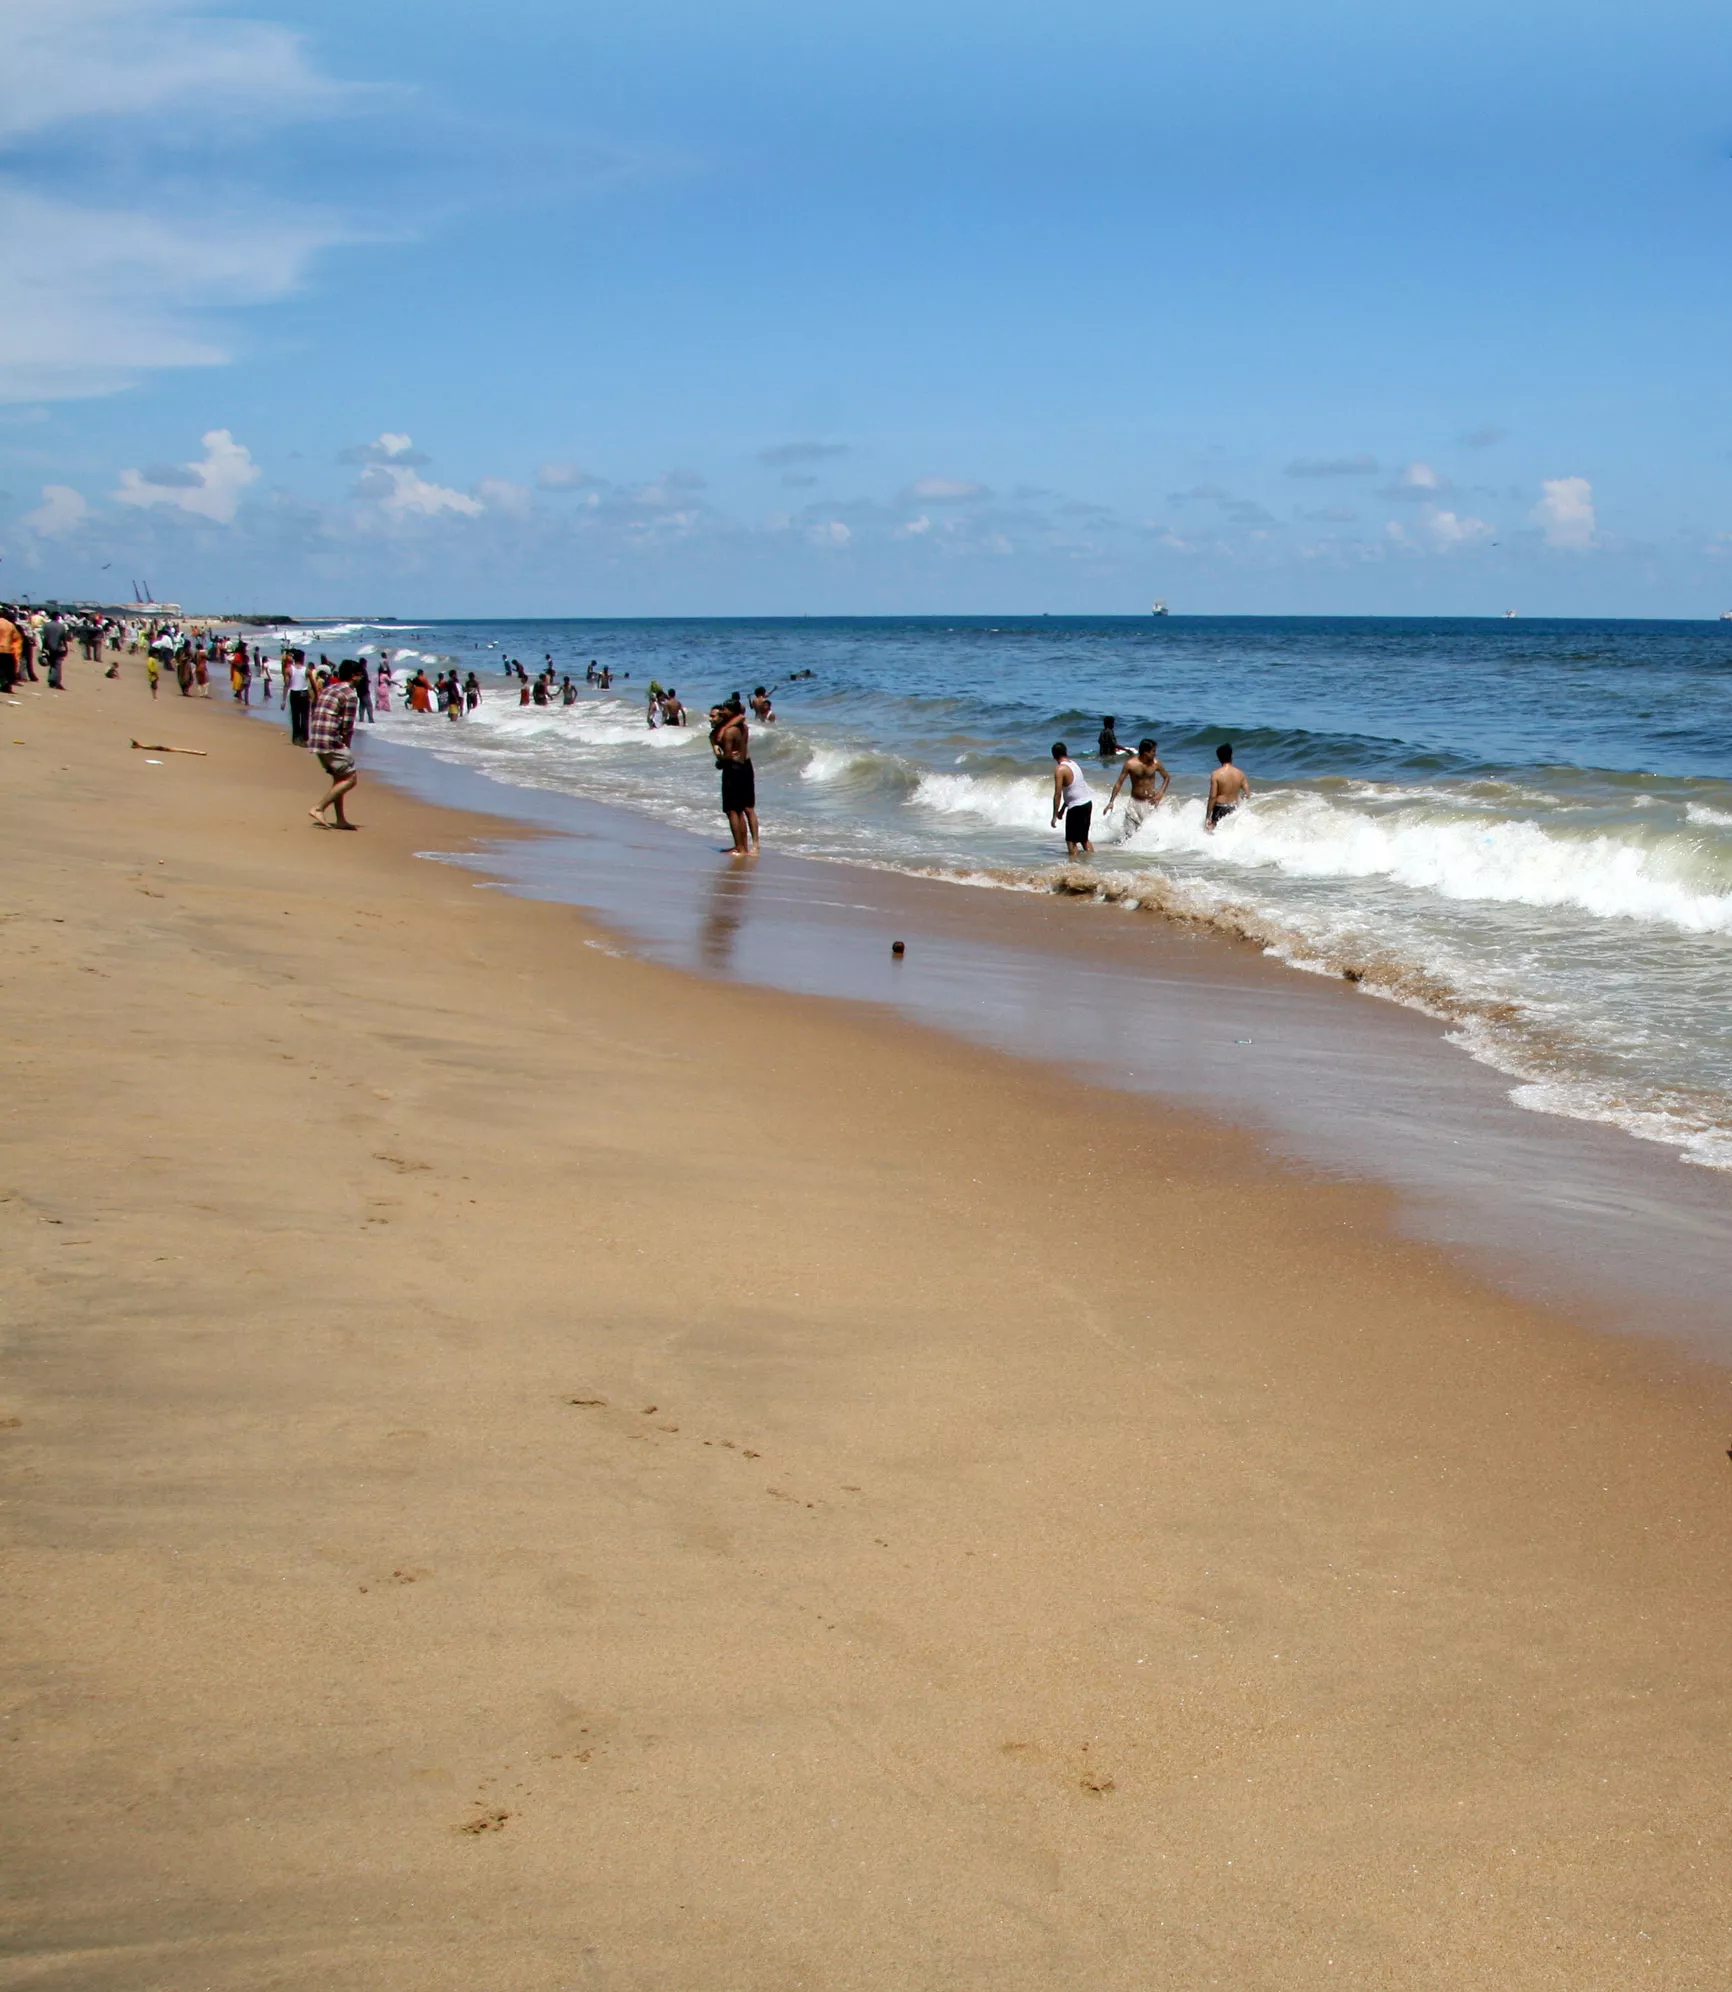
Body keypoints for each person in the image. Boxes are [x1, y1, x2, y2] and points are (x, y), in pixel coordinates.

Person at [308, 661, 362, 828]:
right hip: (330, 739)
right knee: (351, 779)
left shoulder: (329, 688)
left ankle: (340, 819)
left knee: (339, 779)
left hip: (316, 737)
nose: (361, 678)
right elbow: (347, 727)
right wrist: (346, 747)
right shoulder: (350, 695)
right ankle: (319, 808)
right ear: (353, 676)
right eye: (360, 675)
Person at [712, 696, 758, 854]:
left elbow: (728, 755)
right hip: (745, 767)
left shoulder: (728, 732)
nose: (722, 712)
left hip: (733, 769)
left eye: (725, 710)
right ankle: (744, 846)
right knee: (741, 810)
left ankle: (739, 847)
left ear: (732, 711)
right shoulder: (743, 727)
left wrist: (719, 760)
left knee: (732, 810)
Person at [1106, 737, 1170, 836]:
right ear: (1146, 752)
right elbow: (1119, 783)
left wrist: (1161, 793)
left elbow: (1166, 777)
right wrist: (1111, 802)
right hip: (1134, 803)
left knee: (1150, 834)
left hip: (1150, 803)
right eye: (1153, 751)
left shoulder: (1156, 764)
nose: (1155, 754)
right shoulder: (1130, 764)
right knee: (1129, 834)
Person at [1050, 741, 1094, 856]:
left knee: (1071, 842)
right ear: (1066, 752)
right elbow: (1073, 790)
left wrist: (1054, 816)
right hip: (1087, 803)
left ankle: (1074, 865)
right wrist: (1063, 809)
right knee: (1084, 839)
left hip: (1077, 807)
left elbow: (1057, 794)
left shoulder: (1060, 769)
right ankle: (1092, 862)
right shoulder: (1074, 764)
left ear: (1054, 755)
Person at [1205, 742, 1250, 831]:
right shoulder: (1241, 774)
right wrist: (1240, 805)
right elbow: (1247, 794)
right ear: (1231, 756)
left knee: (1214, 833)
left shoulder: (1216, 774)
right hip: (1233, 808)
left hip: (1219, 808)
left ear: (1219, 758)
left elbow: (1213, 797)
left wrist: (1208, 816)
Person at [283, 649, 313, 744]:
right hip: (304, 694)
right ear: (303, 658)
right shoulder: (307, 670)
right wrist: (317, 696)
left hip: (294, 693)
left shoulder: (288, 670)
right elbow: (314, 685)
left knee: (295, 716)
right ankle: (304, 738)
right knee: (305, 717)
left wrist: (283, 700)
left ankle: (296, 737)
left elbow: (286, 685)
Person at [39, 611, 71, 690]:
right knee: (57, 664)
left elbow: (44, 637)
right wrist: (66, 648)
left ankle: (51, 679)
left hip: (48, 647)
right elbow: (63, 639)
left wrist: (43, 648)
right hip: (58, 647)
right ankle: (55, 681)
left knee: (52, 663)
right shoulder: (61, 626)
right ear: (57, 617)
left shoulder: (46, 625)